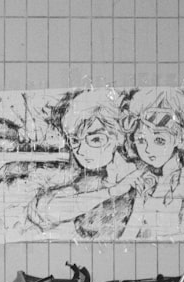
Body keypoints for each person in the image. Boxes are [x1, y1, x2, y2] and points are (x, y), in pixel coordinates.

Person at [27, 89, 151, 239]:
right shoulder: (93, 181)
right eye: (74, 141)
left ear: (118, 137)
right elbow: (43, 210)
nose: (81, 151)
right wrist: (112, 192)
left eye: (95, 139)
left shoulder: (143, 177)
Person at [121, 88, 184, 240]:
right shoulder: (147, 180)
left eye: (159, 140)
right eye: (141, 140)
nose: (148, 150)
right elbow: (131, 233)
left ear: (180, 139)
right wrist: (140, 202)